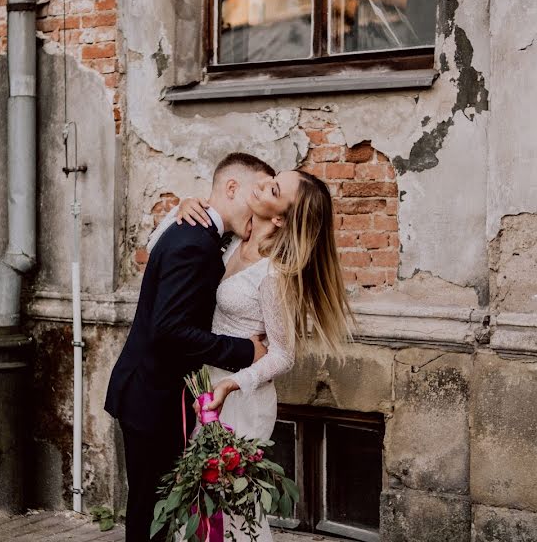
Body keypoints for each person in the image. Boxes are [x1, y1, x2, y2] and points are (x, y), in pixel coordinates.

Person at [151, 168, 353, 542]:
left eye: (273, 188)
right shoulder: (231, 243)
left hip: (242, 398)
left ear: (279, 217)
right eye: (271, 178)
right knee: (198, 506)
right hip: (208, 390)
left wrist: (233, 383)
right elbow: (158, 248)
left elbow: (283, 355)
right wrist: (185, 206)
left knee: (235, 512)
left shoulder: (275, 274)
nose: (260, 183)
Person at [104, 153, 275, 542]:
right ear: (232, 188)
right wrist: (246, 352)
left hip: (154, 393)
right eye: (257, 192)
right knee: (152, 512)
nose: (262, 204)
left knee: (159, 508)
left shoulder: (201, 234)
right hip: (152, 397)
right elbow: (170, 331)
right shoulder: (195, 242)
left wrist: (185, 202)